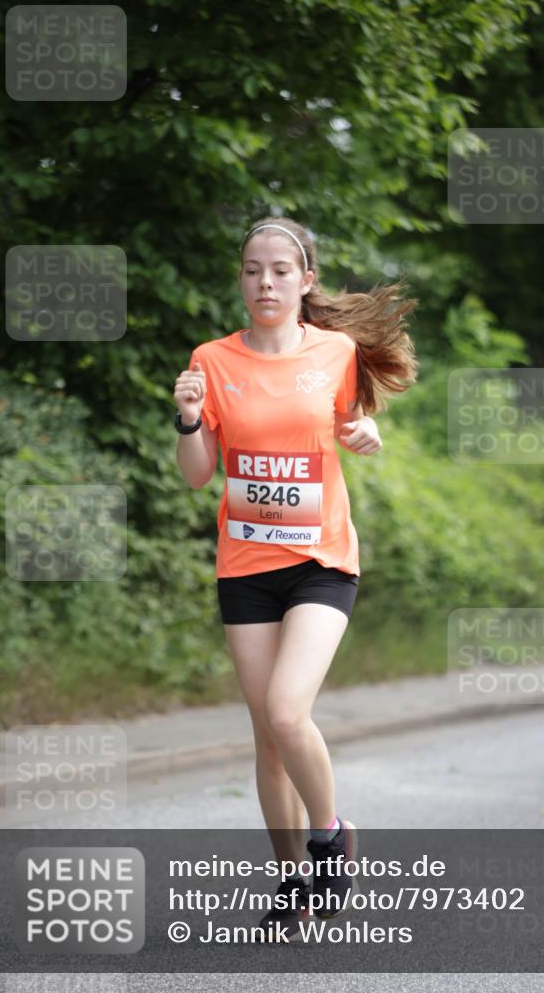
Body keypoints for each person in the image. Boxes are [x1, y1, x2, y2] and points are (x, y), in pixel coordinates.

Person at [174, 217, 418, 940]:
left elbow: (353, 427)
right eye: (252, 269)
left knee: (286, 710)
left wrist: (369, 434)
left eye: (281, 270)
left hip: (319, 561)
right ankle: (291, 879)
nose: (265, 283)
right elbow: (197, 477)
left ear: (305, 280)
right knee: (266, 737)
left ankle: (329, 835)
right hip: (245, 567)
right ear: (241, 277)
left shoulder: (336, 352)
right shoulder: (211, 359)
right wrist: (188, 419)